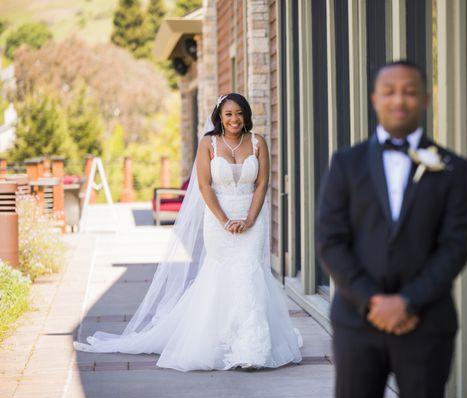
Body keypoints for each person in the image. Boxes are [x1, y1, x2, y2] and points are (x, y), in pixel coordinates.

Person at [74, 93, 303, 371]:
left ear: (246, 116)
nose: (234, 119)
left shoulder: (258, 143)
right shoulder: (209, 143)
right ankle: (221, 340)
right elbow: (205, 186)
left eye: (239, 113)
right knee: (220, 275)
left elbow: (262, 184)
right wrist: (224, 220)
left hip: (251, 220)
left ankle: (251, 347)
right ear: (219, 116)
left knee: (250, 273)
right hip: (219, 221)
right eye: (228, 114)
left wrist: (249, 219)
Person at [316, 60, 467, 398]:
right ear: (375, 98)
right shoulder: (346, 163)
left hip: (427, 322)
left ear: (426, 100)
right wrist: (372, 301)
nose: (399, 100)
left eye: (409, 92)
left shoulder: (453, 168)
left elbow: (455, 246)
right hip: (357, 322)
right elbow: (331, 241)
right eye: (389, 92)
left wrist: (408, 302)